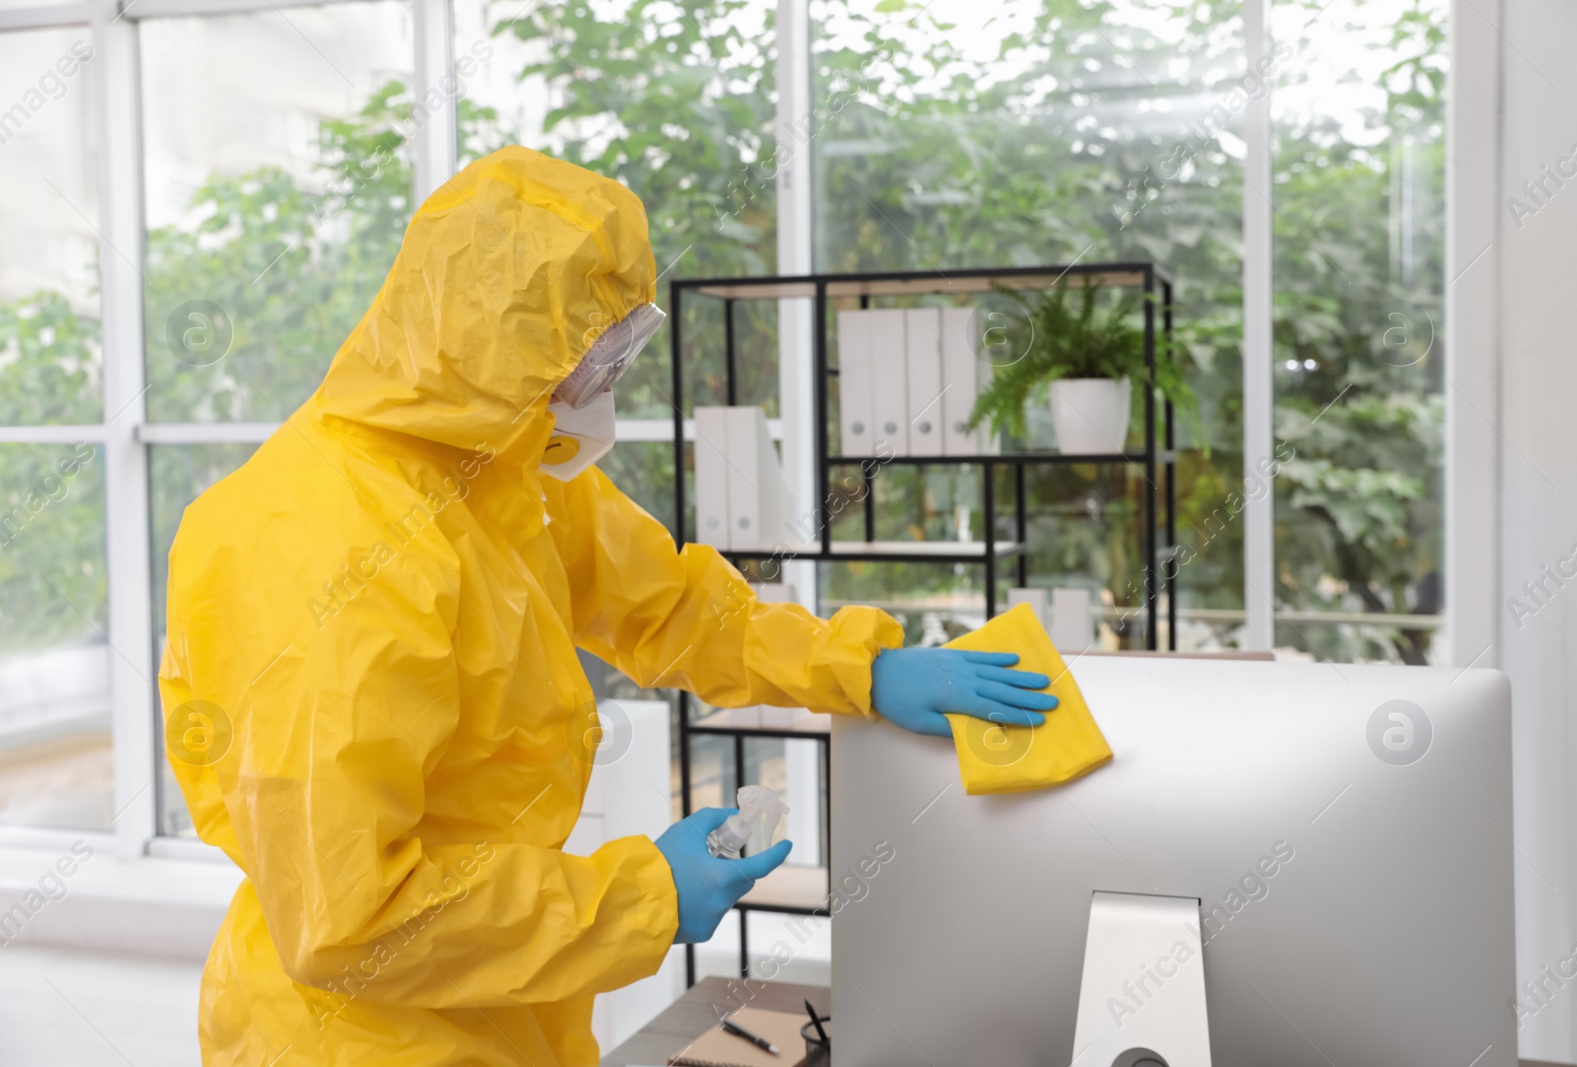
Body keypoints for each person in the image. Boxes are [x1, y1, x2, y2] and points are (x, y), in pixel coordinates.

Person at [159, 146, 1055, 1067]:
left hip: (510, 1009)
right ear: (488, 351)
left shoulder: (493, 464)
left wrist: (856, 666)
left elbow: (666, 605)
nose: (603, 387)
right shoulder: (320, 547)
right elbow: (350, 920)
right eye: (590, 357)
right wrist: (643, 894)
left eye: (620, 346)